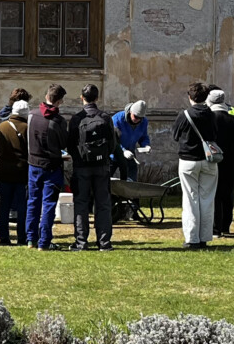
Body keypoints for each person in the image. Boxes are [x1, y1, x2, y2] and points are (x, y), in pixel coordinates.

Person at [68, 83, 119, 251]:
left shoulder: (77, 119)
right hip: (102, 166)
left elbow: (70, 145)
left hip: (81, 166)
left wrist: (79, 159)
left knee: (81, 204)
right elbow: (112, 144)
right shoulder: (105, 117)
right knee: (103, 204)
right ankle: (104, 242)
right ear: (97, 98)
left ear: (81, 98)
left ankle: (81, 242)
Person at [170, 81, 220, 250]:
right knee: (207, 199)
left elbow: (176, 136)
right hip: (208, 160)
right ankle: (205, 237)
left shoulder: (184, 115)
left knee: (191, 199)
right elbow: (215, 134)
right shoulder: (211, 114)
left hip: (188, 160)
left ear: (190, 96)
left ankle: (192, 238)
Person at [25, 84, 71, 250]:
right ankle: (44, 241)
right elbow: (64, 143)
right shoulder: (58, 121)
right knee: (49, 204)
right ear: (59, 101)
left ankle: (30, 238)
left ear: (46, 96)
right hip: (51, 165)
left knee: (33, 202)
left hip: (33, 164)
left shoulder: (31, 115)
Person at [207, 89, 234, 239]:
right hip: (230, 161)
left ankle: (216, 227)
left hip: (213, 161)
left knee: (215, 194)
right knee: (227, 194)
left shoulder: (210, 118)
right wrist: (233, 155)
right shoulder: (232, 119)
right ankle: (226, 225)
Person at [0, 99, 31, 245]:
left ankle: (4, 237)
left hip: (4, 172)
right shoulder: (27, 128)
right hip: (21, 172)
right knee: (22, 206)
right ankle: (22, 237)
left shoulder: (2, 127)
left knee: (4, 205)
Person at [111, 100, 149, 180]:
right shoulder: (117, 119)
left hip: (130, 155)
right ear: (130, 112)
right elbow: (112, 139)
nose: (137, 120)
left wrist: (146, 145)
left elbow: (144, 136)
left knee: (131, 181)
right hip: (114, 154)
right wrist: (123, 150)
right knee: (105, 179)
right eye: (135, 116)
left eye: (140, 118)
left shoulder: (144, 122)